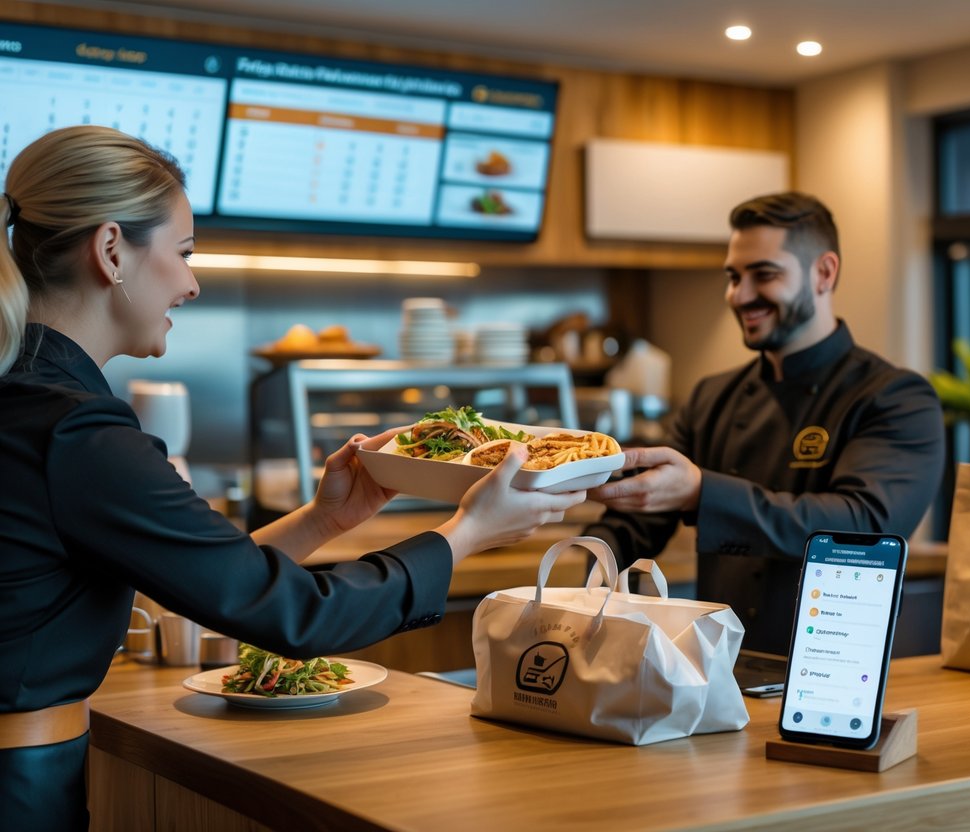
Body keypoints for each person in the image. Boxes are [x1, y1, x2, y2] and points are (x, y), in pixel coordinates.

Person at [0, 125, 585, 831]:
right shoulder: (78, 433)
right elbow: (296, 616)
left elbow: (211, 584)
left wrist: (324, 521)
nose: (190, 284)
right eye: (184, 254)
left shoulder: (28, 400)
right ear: (112, 249)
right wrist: (466, 534)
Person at [585, 191, 945, 654]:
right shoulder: (712, 396)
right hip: (718, 669)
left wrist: (701, 492)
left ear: (824, 273)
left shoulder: (893, 397)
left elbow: (864, 527)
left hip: (831, 672)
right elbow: (639, 518)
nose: (740, 294)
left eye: (764, 275)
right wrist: (589, 564)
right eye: (734, 276)